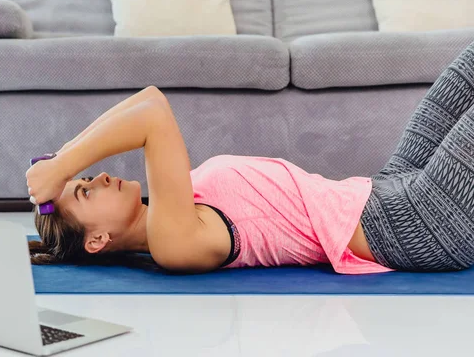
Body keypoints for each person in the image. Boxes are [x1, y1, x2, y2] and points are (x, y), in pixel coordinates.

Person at [26, 42, 474, 274]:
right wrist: (61, 170)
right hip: (418, 221)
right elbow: (151, 118)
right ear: (97, 240)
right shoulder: (173, 244)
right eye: (84, 192)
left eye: (85, 177)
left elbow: (149, 97)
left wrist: (61, 161)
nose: (99, 176)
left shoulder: (176, 204)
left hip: (393, 186)